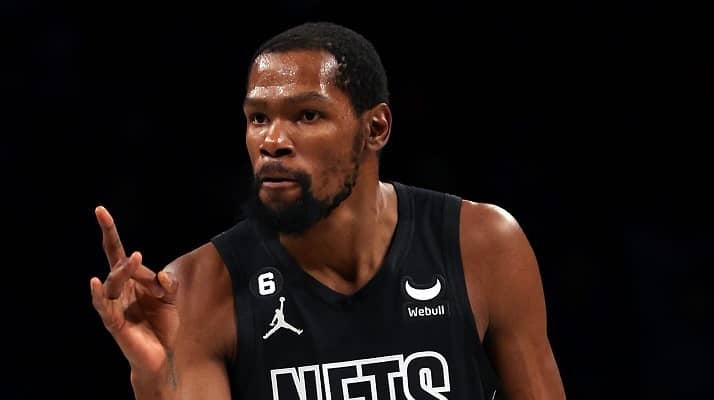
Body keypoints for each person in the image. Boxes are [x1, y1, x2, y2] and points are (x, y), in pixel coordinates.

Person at [89, 21, 566, 399]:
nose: (272, 141)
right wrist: (155, 382)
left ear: (375, 129)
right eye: (258, 118)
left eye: (307, 115)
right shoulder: (194, 290)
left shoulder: (482, 245)